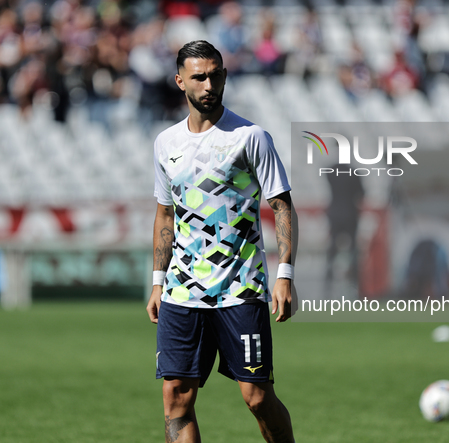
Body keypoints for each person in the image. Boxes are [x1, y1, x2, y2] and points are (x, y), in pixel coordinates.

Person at [146, 40, 297, 443]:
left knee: (257, 396)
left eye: (215, 75)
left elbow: (282, 206)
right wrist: (158, 282)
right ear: (181, 81)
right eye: (199, 77)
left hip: (241, 287)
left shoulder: (250, 137)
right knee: (176, 396)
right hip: (182, 289)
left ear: (225, 76)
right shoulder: (166, 143)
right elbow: (165, 214)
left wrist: (284, 275)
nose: (208, 84)